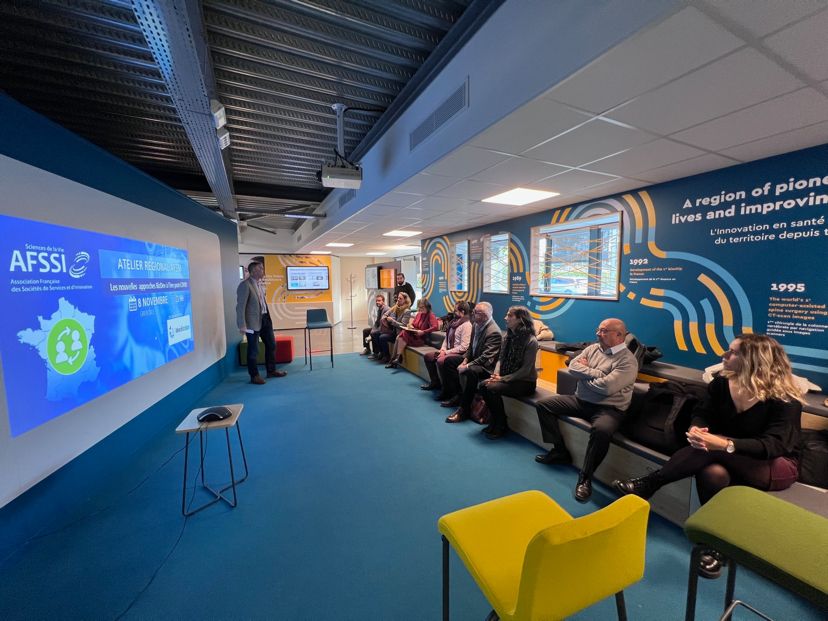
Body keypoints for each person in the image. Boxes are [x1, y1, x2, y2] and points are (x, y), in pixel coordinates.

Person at [612, 333, 803, 578]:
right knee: (712, 473)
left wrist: (724, 444)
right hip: (722, 455)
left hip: (774, 465)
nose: (724, 354)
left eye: (733, 352)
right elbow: (702, 413)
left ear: (754, 360)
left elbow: (774, 445)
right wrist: (697, 429)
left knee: (712, 453)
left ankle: (649, 484)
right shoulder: (721, 384)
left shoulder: (785, 399)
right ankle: (715, 546)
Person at [534, 318, 637, 502]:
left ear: (619, 335)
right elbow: (572, 366)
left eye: (604, 331)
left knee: (602, 431)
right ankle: (560, 451)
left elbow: (607, 388)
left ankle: (585, 478)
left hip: (609, 408)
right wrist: (598, 374)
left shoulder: (628, 361)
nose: (598, 334)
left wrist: (584, 375)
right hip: (581, 401)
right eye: (598, 329)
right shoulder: (593, 348)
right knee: (543, 405)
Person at [479, 306, 538, 439]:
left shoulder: (531, 341)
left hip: (524, 382)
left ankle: (501, 424)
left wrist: (502, 379)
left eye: (510, 316)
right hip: (506, 377)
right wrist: (496, 375)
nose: (506, 318)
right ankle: (495, 420)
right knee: (483, 385)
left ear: (520, 319)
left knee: (491, 388)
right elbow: (500, 359)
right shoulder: (508, 336)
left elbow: (525, 370)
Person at [446, 301, 502, 424]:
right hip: (474, 360)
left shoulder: (494, 332)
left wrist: (467, 366)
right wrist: (465, 360)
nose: (472, 314)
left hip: (487, 367)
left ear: (484, 315)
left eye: (476, 312)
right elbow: (471, 347)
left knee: (471, 371)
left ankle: (464, 409)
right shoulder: (476, 324)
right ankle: (458, 395)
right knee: (449, 361)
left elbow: (486, 357)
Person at [236, 260, 286, 384]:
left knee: (271, 345)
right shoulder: (245, 285)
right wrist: (242, 324)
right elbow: (240, 306)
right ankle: (254, 376)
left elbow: (261, 303)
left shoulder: (260, 284)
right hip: (252, 323)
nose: (263, 270)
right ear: (253, 271)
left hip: (265, 319)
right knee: (253, 350)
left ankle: (271, 371)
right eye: (260, 268)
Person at [422, 301, 471, 394]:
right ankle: (435, 382)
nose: (453, 312)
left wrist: (446, 352)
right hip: (448, 351)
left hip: (459, 354)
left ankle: (447, 389)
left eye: (455, 310)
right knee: (428, 356)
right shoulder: (453, 322)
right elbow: (446, 339)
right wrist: (443, 349)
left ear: (462, 312)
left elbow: (464, 347)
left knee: (441, 360)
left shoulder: (467, 325)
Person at [386, 297, 439, 368]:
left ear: (427, 306)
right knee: (401, 335)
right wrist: (410, 326)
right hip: (414, 335)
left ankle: (395, 359)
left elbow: (435, 327)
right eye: (419, 307)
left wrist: (423, 332)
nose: (420, 309)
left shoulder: (431, 315)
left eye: (422, 307)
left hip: (420, 338)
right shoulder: (419, 314)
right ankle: (397, 358)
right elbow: (413, 324)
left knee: (400, 336)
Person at [375, 292, 411, 363]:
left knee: (382, 337)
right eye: (398, 298)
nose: (398, 299)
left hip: (399, 334)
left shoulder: (407, 311)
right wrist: (386, 317)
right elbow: (385, 314)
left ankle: (387, 356)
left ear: (405, 300)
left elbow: (403, 326)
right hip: (393, 331)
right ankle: (381, 353)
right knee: (377, 334)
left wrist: (392, 321)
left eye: (400, 298)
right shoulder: (396, 307)